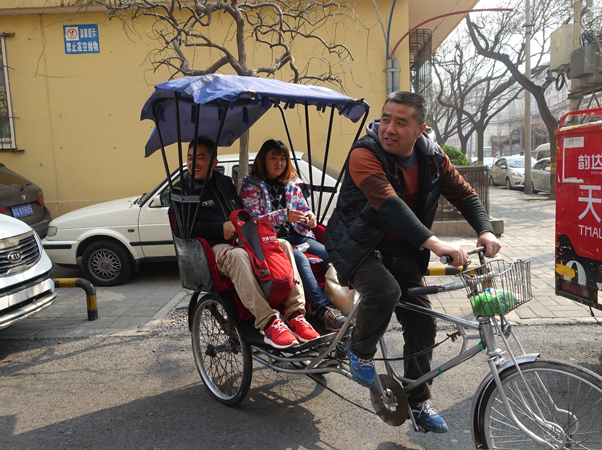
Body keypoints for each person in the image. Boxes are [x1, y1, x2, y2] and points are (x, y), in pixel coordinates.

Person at [325, 92, 501, 433]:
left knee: (423, 323)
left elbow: (464, 194)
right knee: (383, 291)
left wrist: (486, 230)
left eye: (400, 122)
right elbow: (389, 205)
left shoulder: (433, 158)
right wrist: (435, 243)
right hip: (356, 245)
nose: (388, 128)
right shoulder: (364, 153)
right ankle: (359, 349)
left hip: (402, 251)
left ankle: (418, 400)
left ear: (421, 128)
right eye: (386, 118)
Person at [184, 137, 320, 349]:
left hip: (242, 238)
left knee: (282, 244)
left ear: (214, 162)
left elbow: (244, 214)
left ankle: (295, 314)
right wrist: (219, 228)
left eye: (200, 158)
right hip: (212, 247)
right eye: (190, 158)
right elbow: (182, 230)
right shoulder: (182, 190)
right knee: (239, 256)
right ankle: (268, 322)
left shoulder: (224, 183)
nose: (194, 163)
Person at [240, 139, 346, 332]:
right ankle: (324, 311)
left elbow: (304, 209)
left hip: (298, 235)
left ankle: (351, 301)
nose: (279, 163)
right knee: (298, 258)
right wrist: (283, 215)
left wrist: (310, 218)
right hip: (271, 242)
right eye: (274, 158)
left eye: (283, 158)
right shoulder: (250, 186)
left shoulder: (292, 183)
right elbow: (252, 220)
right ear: (263, 160)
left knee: (332, 255)